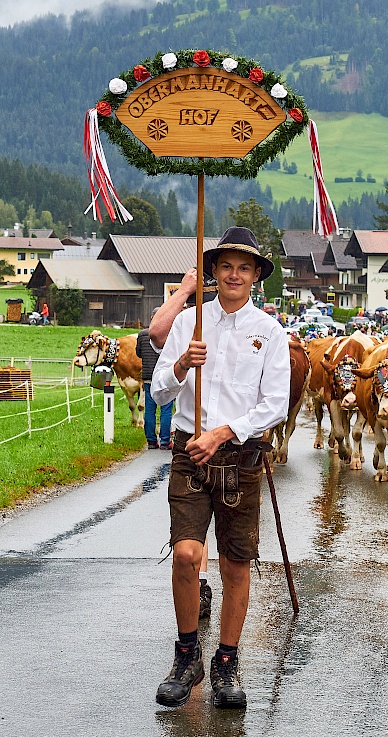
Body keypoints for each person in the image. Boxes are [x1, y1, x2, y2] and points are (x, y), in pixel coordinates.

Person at [151, 227, 290, 709]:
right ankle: (187, 655)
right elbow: (158, 391)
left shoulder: (270, 332)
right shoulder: (191, 323)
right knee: (187, 554)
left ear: (255, 277)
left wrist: (225, 432)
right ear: (212, 271)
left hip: (241, 458)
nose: (234, 274)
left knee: (234, 564)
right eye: (226, 266)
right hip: (190, 453)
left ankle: (226, 662)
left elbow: (275, 406)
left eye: (244, 267)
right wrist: (182, 366)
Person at [150, 267, 213, 619]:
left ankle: (202, 579)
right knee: (193, 525)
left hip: (233, 436)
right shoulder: (187, 311)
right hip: (189, 419)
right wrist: (186, 289)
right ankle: (200, 582)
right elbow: (157, 332)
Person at [136, 308, 175, 450]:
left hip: (148, 377)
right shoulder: (170, 333)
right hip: (165, 377)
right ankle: (165, 441)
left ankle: (151, 441)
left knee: (149, 410)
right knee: (166, 409)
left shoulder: (142, 335)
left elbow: (138, 353)